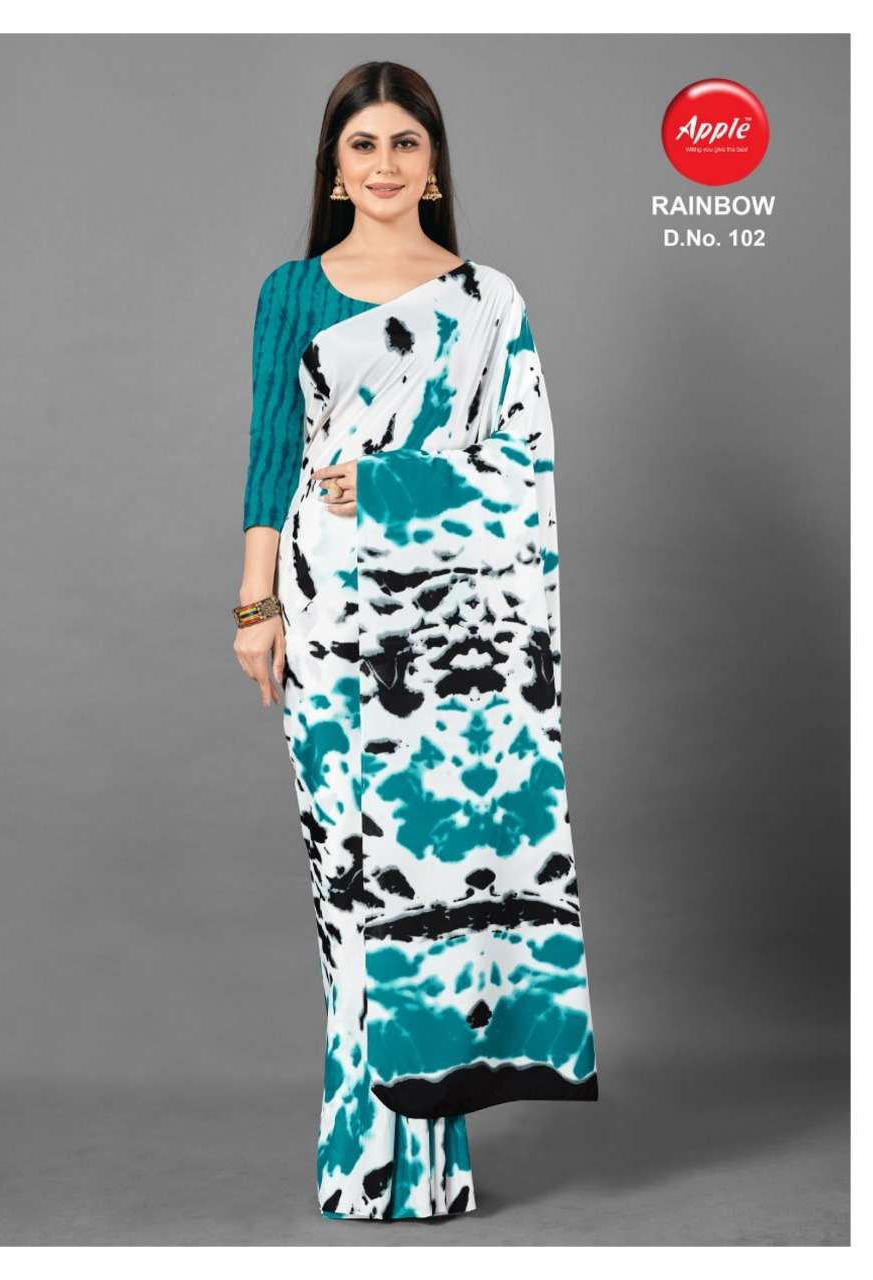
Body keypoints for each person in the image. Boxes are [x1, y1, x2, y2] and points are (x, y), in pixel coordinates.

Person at [233, 60, 598, 1222]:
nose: (384, 163)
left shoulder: (487, 304)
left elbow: (526, 471)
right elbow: (270, 458)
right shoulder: (292, 292)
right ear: (333, 170)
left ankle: (431, 1164)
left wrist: (391, 484)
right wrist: (254, 606)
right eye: (363, 145)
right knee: (351, 883)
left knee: (429, 881)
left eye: (404, 142)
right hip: (326, 614)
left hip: (446, 631)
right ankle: (369, 1154)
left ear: (433, 164)